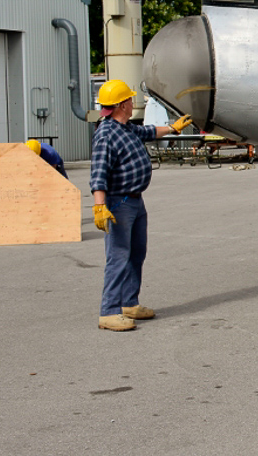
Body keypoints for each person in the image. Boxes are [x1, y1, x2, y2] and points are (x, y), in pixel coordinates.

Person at [89, 79, 193, 332]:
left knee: (136, 253)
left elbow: (148, 132)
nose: (132, 102)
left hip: (135, 201)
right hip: (119, 203)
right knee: (118, 256)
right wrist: (99, 206)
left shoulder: (125, 128)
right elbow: (98, 174)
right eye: (129, 99)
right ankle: (109, 312)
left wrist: (172, 128)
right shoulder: (106, 134)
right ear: (122, 105)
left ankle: (129, 303)